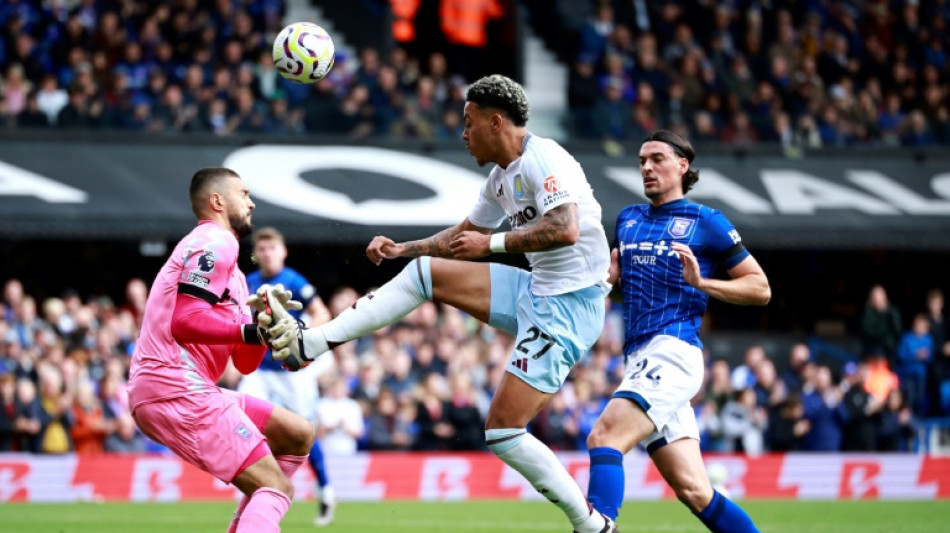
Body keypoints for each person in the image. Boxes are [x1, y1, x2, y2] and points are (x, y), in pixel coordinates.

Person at [267, 74, 617, 533]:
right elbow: (460, 237)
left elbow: (565, 228)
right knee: (425, 274)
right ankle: (310, 344)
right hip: (537, 289)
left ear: (496, 123)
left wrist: (492, 247)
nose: (463, 133)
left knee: (504, 432)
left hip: (571, 307)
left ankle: (591, 526)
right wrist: (403, 250)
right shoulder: (499, 180)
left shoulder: (544, 159)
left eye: (469, 123)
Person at [584, 130, 770, 532]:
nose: (647, 168)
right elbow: (623, 288)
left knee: (604, 438)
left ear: (682, 166)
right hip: (639, 357)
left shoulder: (707, 222)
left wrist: (704, 283)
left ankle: (599, 528)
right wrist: (609, 281)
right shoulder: (628, 219)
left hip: (674, 351)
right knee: (694, 491)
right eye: (642, 161)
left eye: (657, 159)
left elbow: (760, 288)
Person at [127, 167, 314, 533]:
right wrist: (249, 329)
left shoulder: (238, 276)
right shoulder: (215, 241)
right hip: (175, 386)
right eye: (244, 194)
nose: (252, 202)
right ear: (217, 201)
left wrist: (264, 324)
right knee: (275, 487)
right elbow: (185, 320)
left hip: (178, 387)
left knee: (297, 433)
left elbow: (244, 363)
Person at [240, 226, 339, 526]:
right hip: (260, 370)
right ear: (257, 255)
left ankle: (325, 488)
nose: (267, 253)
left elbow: (321, 313)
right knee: (238, 418)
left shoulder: (293, 281)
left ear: (283, 251)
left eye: (273, 248)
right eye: (263, 249)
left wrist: (301, 335)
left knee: (304, 432)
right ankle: (252, 486)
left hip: (290, 370)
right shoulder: (249, 283)